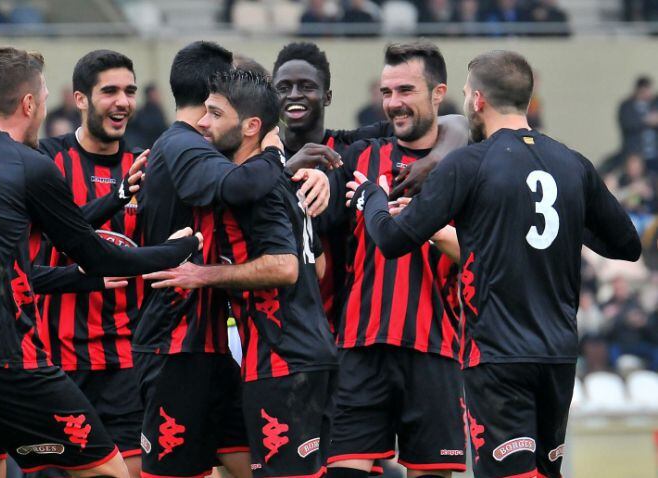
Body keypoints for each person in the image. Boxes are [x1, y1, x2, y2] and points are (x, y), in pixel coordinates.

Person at [346, 49, 642, 478]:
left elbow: (392, 239)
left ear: (478, 100)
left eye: (467, 93)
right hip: (558, 354)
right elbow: (627, 245)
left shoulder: (471, 162)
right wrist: (570, 219)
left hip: (497, 356)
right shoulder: (573, 164)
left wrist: (371, 198)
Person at [0, 46, 201, 478]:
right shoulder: (29, 163)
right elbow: (95, 253)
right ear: (28, 103)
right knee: (110, 473)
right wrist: (181, 249)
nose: (45, 110)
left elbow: (38, 245)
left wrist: (116, 198)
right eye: (45, 99)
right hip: (8, 363)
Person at [132, 41, 332, 478]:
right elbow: (316, 266)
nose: (205, 123)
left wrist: (205, 274)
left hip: (277, 356)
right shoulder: (266, 175)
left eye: (216, 113)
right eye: (206, 110)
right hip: (244, 352)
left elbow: (287, 266)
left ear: (250, 125)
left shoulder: (256, 184)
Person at [322, 41, 465, 478]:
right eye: (386, 92)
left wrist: (425, 226)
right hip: (361, 347)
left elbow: (482, 253)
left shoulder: (467, 167)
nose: (393, 103)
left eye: (405, 90)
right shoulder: (361, 156)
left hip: (435, 347)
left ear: (437, 94)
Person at [271, 41, 467, 333]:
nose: (295, 95)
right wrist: (287, 172)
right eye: (283, 87)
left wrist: (434, 159)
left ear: (327, 96)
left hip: (344, 325)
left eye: (306, 86)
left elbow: (455, 123)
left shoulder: (353, 148)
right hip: (283, 328)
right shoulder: (264, 162)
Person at [31, 49, 149, 478]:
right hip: (56, 365)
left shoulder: (147, 170)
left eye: (130, 91)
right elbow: (44, 248)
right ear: (80, 99)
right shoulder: (43, 162)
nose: (123, 101)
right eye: (110, 91)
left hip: (126, 364)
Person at [124, 83, 169, 149]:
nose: (158, 96)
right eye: (155, 94)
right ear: (149, 95)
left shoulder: (158, 110)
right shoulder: (144, 113)